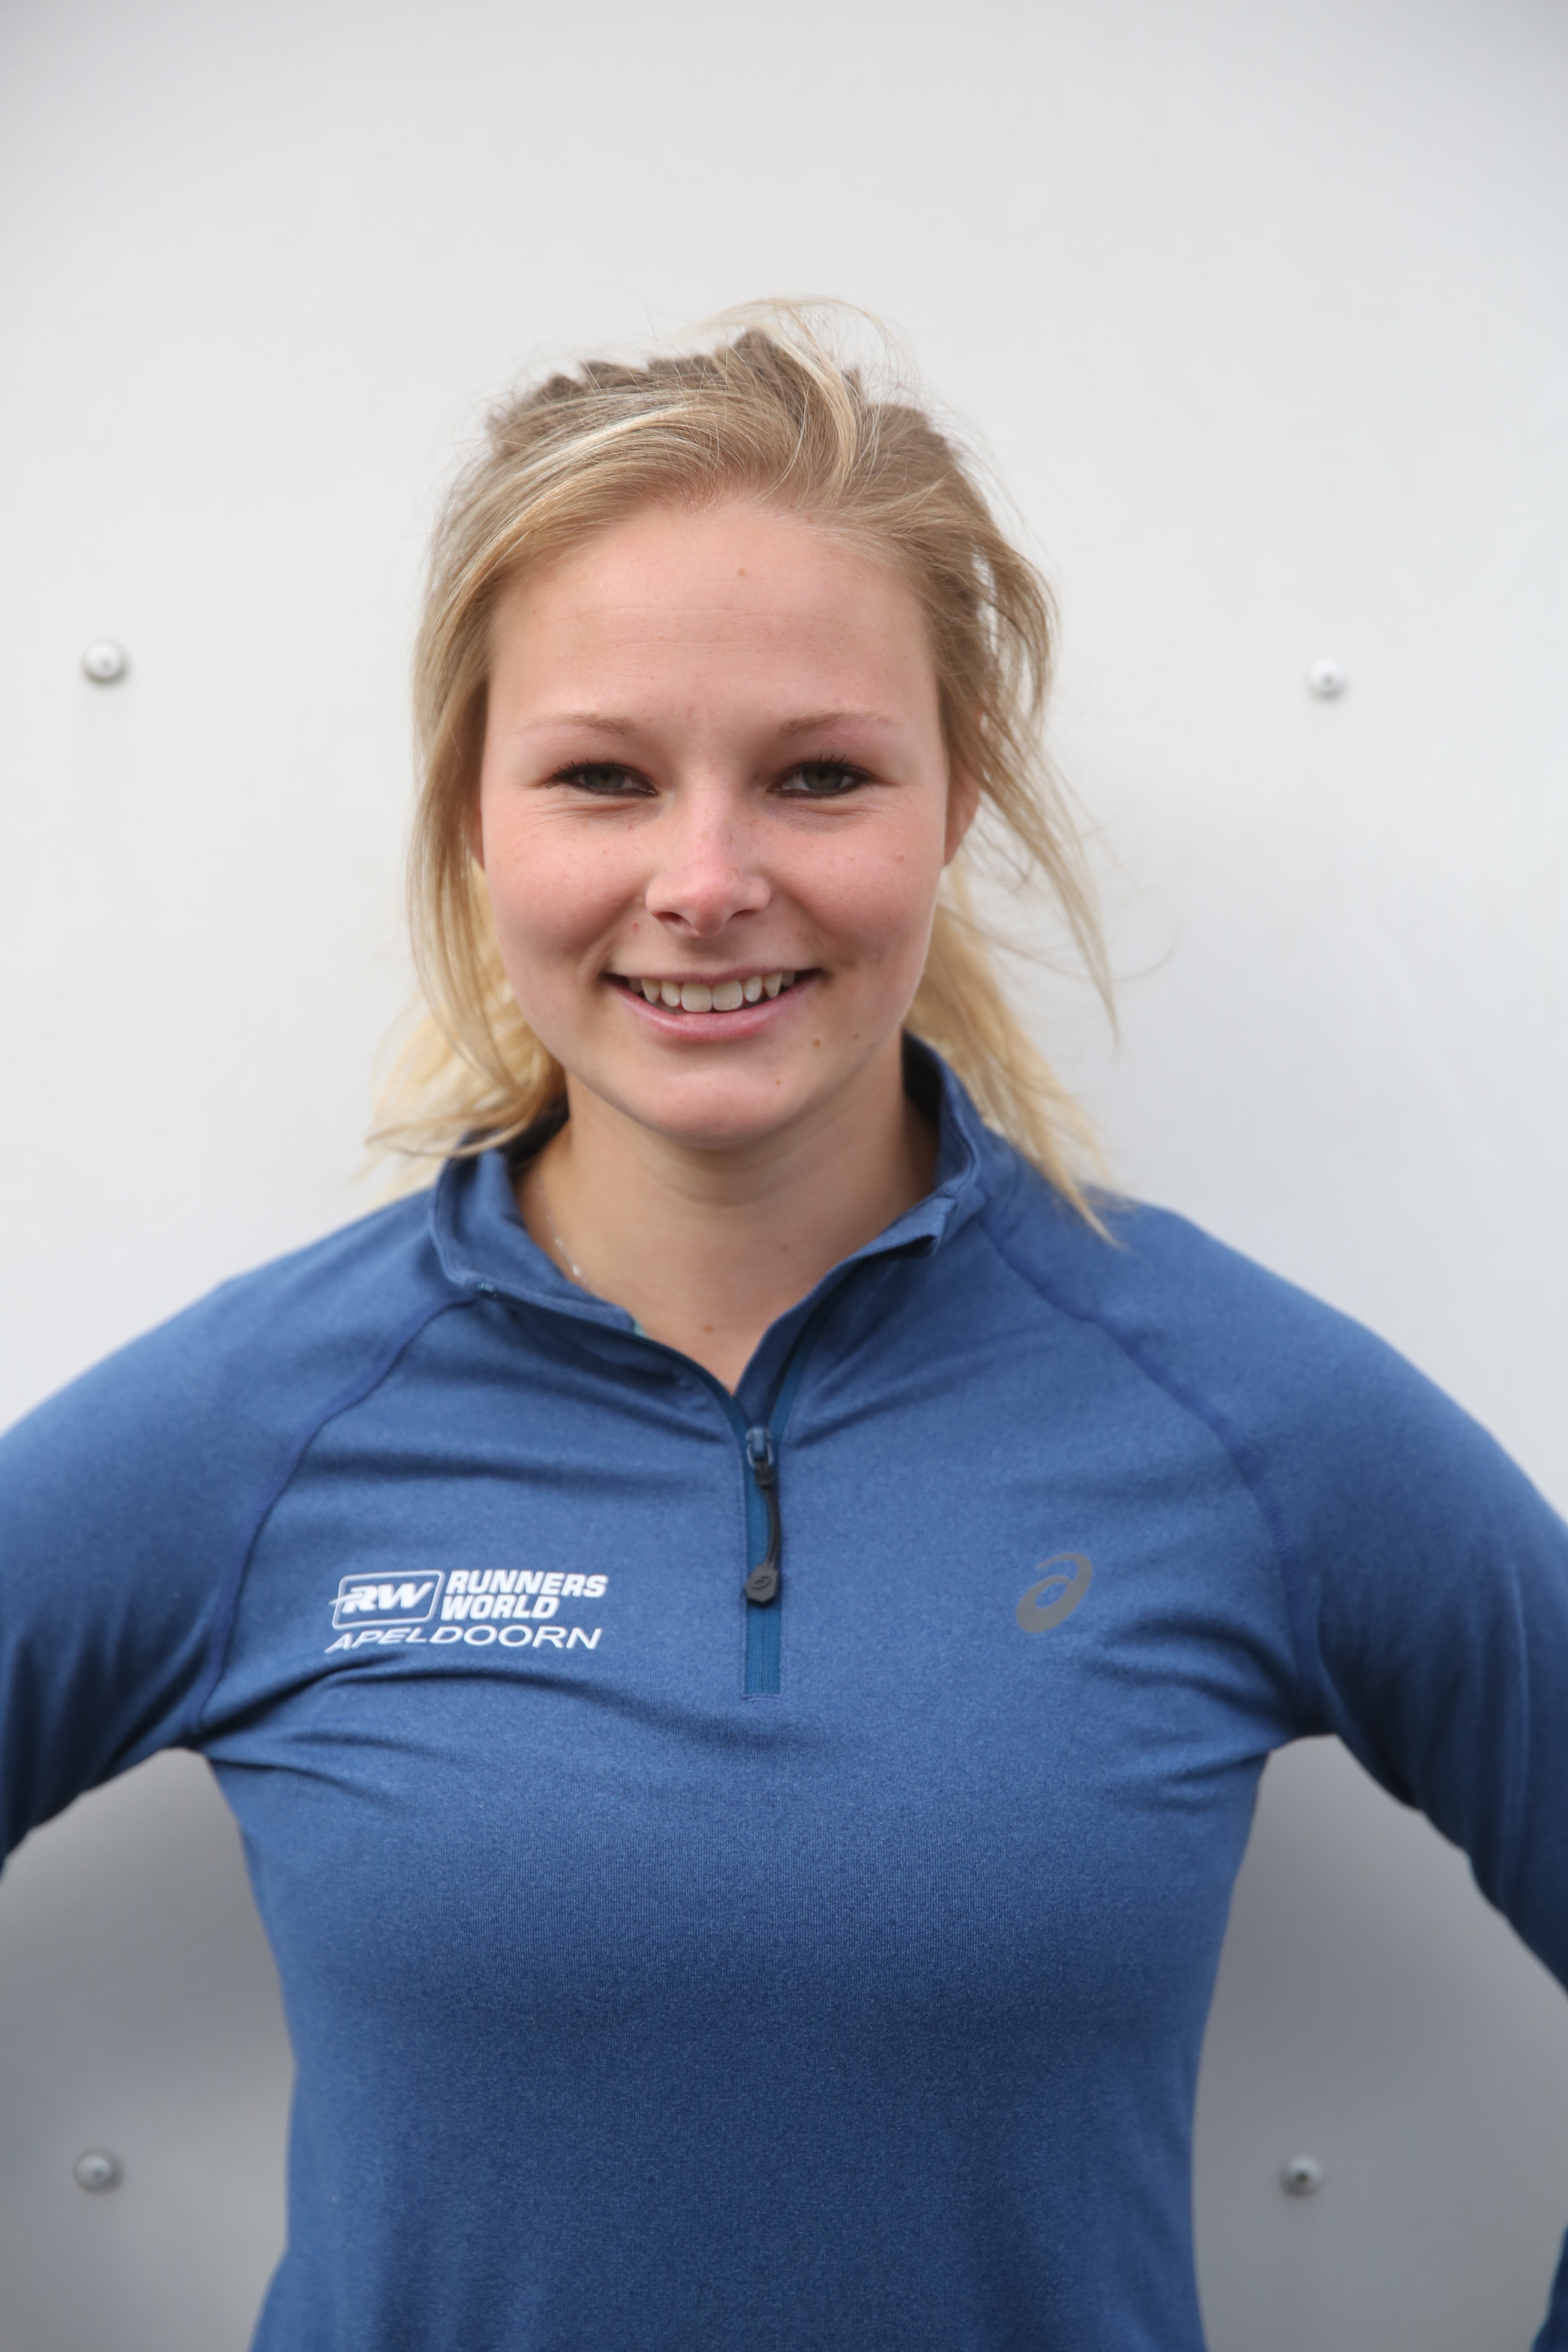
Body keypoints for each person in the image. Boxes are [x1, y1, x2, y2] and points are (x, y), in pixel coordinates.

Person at [2, 308, 1566, 2352]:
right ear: (476, 813)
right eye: (603, 778)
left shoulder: (1242, 1414)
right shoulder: (259, 1428)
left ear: (955, 799)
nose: (707, 880)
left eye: (819, 776)